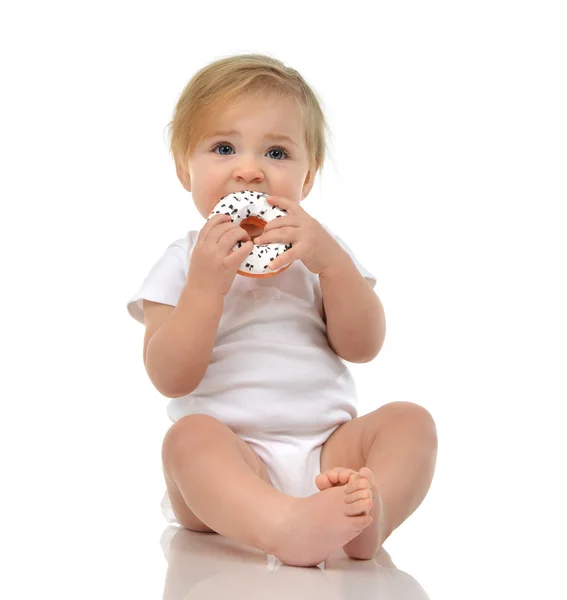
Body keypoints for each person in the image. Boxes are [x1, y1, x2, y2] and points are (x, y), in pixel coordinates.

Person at [126, 53, 438, 568]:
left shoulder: (321, 252)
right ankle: (283, 526)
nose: (250, 170)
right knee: (187, 440)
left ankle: (371, 515)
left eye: (276, 152)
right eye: (223, 148)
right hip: (230, 460)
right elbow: (170, 377)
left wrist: (333, 266)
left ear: (308, 178)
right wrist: (205, 287)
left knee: (412, 423)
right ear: (186, 169)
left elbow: (363, 347)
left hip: (329, 450)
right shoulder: (183, 262)